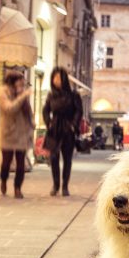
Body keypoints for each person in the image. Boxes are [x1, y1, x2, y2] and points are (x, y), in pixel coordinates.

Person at [43, 67, 83, 197]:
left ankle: (65, 186)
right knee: (54, 158)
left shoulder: (73, 95)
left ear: (64, 79)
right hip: (54, 129)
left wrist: (73, 125)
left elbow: (78, 111)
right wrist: (48, 122)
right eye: (54, 77)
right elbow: (45, 110)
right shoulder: (51, 95)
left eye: (58, 77)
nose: (56, 80)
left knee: (67, 159)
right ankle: (56, 185)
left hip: (68, 129)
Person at [0, 70, 33, 198]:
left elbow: (28, 112)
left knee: (20, 162)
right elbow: (9, 109)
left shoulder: (21, 94)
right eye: (20, 83)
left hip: (21, 133)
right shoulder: (3, 92)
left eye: (23, 84)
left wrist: (31, 125)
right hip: (8, 133)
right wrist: (22, 96)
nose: (22, 86)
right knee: (6, 161)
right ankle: (3, 180)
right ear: (12, 82)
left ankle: (18, 188)